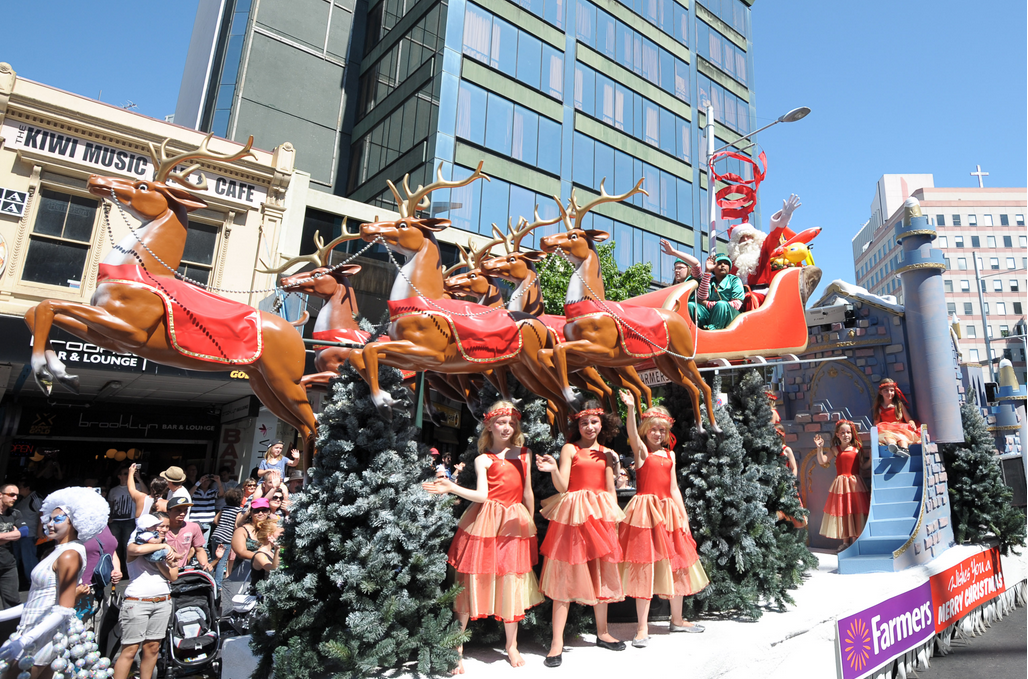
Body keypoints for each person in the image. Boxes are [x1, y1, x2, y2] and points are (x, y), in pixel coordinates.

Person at [422, 401, 543, 672]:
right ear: (489, 425)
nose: (507, 427)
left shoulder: (525, 454)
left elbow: (527, 492)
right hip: (485, 523)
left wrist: (530, 524)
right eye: (501, 422)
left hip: (514, 524)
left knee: (511, 580)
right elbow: (482, 496)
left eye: (512, 423)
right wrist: (450, 487)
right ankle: (458, 644)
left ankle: (511, 645)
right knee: (472, 578)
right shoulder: (483, 459)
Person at [535, 402, 626, 667]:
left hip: (600, 517)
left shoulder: (608, 454)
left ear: (602, 424)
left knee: (601, 573)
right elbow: (563, 487)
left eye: (594, 422)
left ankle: (603, 632)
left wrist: (614, 522)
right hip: (573, 518)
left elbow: (610, 489)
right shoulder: (569, 449)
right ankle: (556, 643)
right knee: (564, 577)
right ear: (578, 425)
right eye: (584, 422)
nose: (589, 427)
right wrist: (553, 469)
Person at [618, 391, 708, 647]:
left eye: (662, 430)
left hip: (668, 513)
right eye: (653, 429)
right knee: (644, 566)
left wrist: (683, 516)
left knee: (677, 564)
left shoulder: (670, 455)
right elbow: (633, 435)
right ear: (646, 430)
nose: (657, 434)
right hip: (646, 514)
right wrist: (632, 409)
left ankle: (677, 619)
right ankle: (642, 627)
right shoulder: (642, 453)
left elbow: (673, 489)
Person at [0, 487, 111, 674]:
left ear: (75, 522)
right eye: (49, 519)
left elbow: (64, 609)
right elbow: (37, 599)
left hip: (44, 636)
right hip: (32, 628)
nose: (49, 524)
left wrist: (26, 640)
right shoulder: (59, 551)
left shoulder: (69, 554)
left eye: (57, 519)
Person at [112, 511, 179, 679]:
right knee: (130, 649)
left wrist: (160, 558)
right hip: (137, 602)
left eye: (166, 527)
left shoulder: (167, 548)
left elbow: (173, 576)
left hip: (162, 600)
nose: (163, 530)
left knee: (153, 647)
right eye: (160, 526)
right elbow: (136, 549)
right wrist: (163, 547)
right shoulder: (134, 544)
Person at [726, 194, 802, 308]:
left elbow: (774, 235)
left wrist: (785, 216)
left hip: (761, 296)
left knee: (749, 299)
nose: (746, 240)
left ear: (755, 237)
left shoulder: (763, 251)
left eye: (749, 236)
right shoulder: (730, 260)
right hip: (737, 298)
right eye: (742, 237)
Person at [815, 420, 871, 547]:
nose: (846, 435)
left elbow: (863, 466)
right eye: (843, 433)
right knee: (844, 512)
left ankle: (856, 542)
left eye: (848, 432)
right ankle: (845, 543)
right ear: (838, 435)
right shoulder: (835, 449)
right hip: (841, 485)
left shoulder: (857, 449)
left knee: (855, 511)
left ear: (852, 434)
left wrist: (871, 459)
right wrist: (819, 448)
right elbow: (823, 461)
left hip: (855, 485)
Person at [687, 253, 745, 330]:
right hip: (712, 313)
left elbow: (737, 304)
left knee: (721, 304)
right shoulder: (710, 281)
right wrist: (707, 271)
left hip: (729, 315)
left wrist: (708, 304)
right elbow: (700, 298)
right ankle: (693, 329)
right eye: (719, 263)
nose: (723, 265)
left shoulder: (734, 280)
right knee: (691, 305)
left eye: (726, 263)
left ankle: (714, 330)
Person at [164, 497, 212, 573]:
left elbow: (199, 550)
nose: (182, 514)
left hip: (182, 572)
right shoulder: (160, 528)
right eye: (178, 511)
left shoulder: (193, 527)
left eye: (185, 510)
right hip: (161, 571)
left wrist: (204, 564)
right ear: (168, 511)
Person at [873, 378, 919, 455]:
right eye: (886, 391)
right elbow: (876, 423)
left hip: (900, 429)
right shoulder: (879, 408)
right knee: (888, 437)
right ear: (880, 392)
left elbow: (908, 419)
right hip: (887, 430)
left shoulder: (899, 405)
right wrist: (873, 433)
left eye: (891, 390)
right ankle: (892, 446)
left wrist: (912, 423)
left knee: (902, 438)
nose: (889, 393)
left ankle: (904, 450)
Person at [0, 485, 27, 611]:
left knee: (13, 602)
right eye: (11, 495)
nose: (15, 498)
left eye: (17, 495)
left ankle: (11, 630)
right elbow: (17, 534)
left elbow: (24, 532)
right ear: (1, 494)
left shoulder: (15, 513)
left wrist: (2, 536)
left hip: (8, 565)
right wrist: (13, 535)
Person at [211, 489, 244, 592]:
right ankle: (218, 584)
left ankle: (210, 580)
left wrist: (223, 524)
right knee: (222, 562)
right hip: (226, 538)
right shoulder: (238, 511)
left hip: (216, 535)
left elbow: (215, 520)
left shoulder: (224, 508)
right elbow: (236, 525)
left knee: (213, 560)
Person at [108, 464, 138, 569]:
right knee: (114, 545)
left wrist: (137, 478)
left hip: (129, 520)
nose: (128, 475)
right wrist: (109, 517)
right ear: (119, 476)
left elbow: (146, 493)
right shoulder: (113, 490)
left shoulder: (136, 487)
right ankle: (114, 568)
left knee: (127, 545)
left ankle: (127, 569)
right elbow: (110, 505)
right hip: (115, 521)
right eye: (125, 474)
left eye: (129, 473)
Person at [13, 478, 42, 582]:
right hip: (17, 533)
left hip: (29, 534)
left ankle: (33, 582)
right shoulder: (22, 499)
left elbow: (42, 513)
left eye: (20, 487)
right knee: (15, 557)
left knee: (28, 559)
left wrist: (39, 531)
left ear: (27, 488)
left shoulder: (35, 498)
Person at [190, 472, 223, 543]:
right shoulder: (195, 491)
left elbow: (221, 494)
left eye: (207, 480)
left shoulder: (212, 492)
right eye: (203, 480)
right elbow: (189, 494)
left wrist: (218, 481)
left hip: (207, 522)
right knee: (192, 543)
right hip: (194, 521)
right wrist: (198, 482)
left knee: (204, 544)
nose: (205, 482)